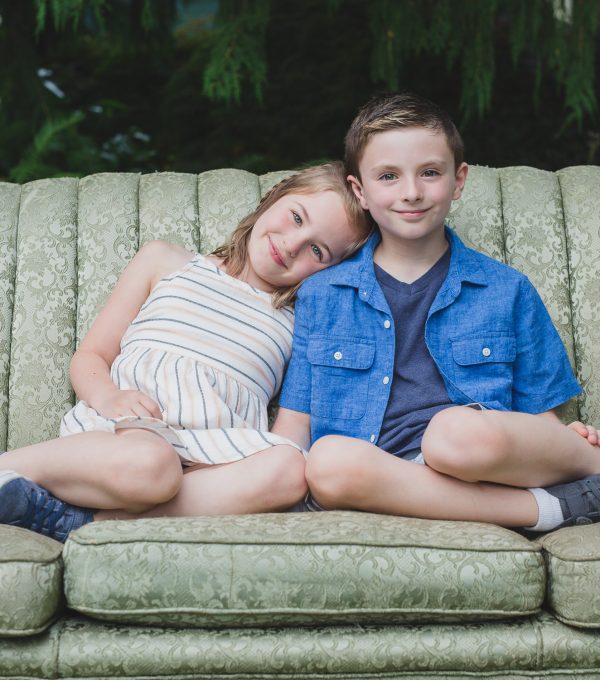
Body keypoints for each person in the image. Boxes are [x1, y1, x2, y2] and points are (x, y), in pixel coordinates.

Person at [272, 92, 600, 532]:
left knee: (453, 434)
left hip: (471, 457)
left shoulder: (506, 289)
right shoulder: (322, 294)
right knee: (327, 461)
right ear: (359, 191)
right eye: (388, 176)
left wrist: (566, 443)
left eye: (429, 173)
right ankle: (550, 510)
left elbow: (535, 420)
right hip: (371, 472)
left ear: (459, 180)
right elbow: (294, 428)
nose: (411, 193)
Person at [0, 162, 372, 541]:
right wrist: (108, 397)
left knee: (290, 468)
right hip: (132, 430)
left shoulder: (300, 320)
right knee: (152, 466)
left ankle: (82, 524)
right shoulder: (166, 262)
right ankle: (8, 467)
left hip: (214, 456)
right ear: (274, 197)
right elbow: (91, 356)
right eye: (296, 217)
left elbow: (290, 432)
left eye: (317, 250)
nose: (291, 244)